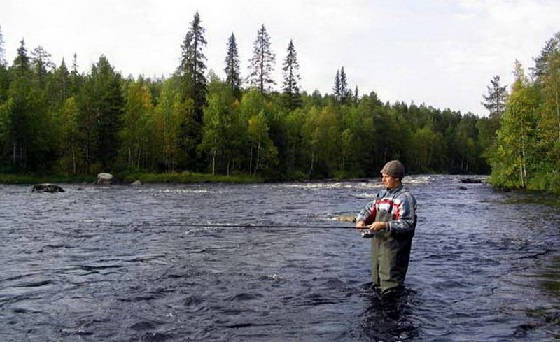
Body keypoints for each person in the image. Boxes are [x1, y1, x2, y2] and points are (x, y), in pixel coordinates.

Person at [355, 160, 417, 294]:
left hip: (395, 251)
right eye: (382, 176)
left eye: (386, 176)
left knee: (391, 289)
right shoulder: (381, 195)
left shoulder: (405, 198)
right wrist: (361, 220)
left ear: (396, 178)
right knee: (377, 285)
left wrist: (384, 224)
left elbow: (408, 224)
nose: (382, 180)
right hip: (379, 248)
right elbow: (367, 209)